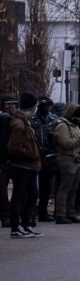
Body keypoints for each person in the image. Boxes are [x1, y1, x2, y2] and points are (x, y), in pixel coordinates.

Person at [7, 92, 43, 238]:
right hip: (22, 166)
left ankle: (26, 224)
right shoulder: (19, 124)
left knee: (32, 195)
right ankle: (16, 227)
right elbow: (14, 147)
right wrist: (30, 154)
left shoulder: (24, 121)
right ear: (32, 108)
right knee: (19, 196)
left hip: (29, 166)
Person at [53, 103, 80, 224]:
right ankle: (61, 214)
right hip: (67, 160)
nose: (78, 118)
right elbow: (65, 143)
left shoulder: (74, 125)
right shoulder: (62, 125)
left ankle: (70, 212)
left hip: (77, 160)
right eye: (76, 116)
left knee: (73, 189)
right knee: (65, 188)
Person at [30, 95, 57, 222]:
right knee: (33, 187)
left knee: (46, 187)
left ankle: (42, 212)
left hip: (49, 156)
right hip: (35, 154)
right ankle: (32, 212)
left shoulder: (54, 119)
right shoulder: (31, 119)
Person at [0, 94, 17, 228]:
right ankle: (6, 216)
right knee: (2, 190)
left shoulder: (17, 119)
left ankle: (14, 214)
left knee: (20, 189)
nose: (11, 106)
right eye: (8, 104)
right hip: (3, 159)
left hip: (16, 158)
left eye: (13, 104)